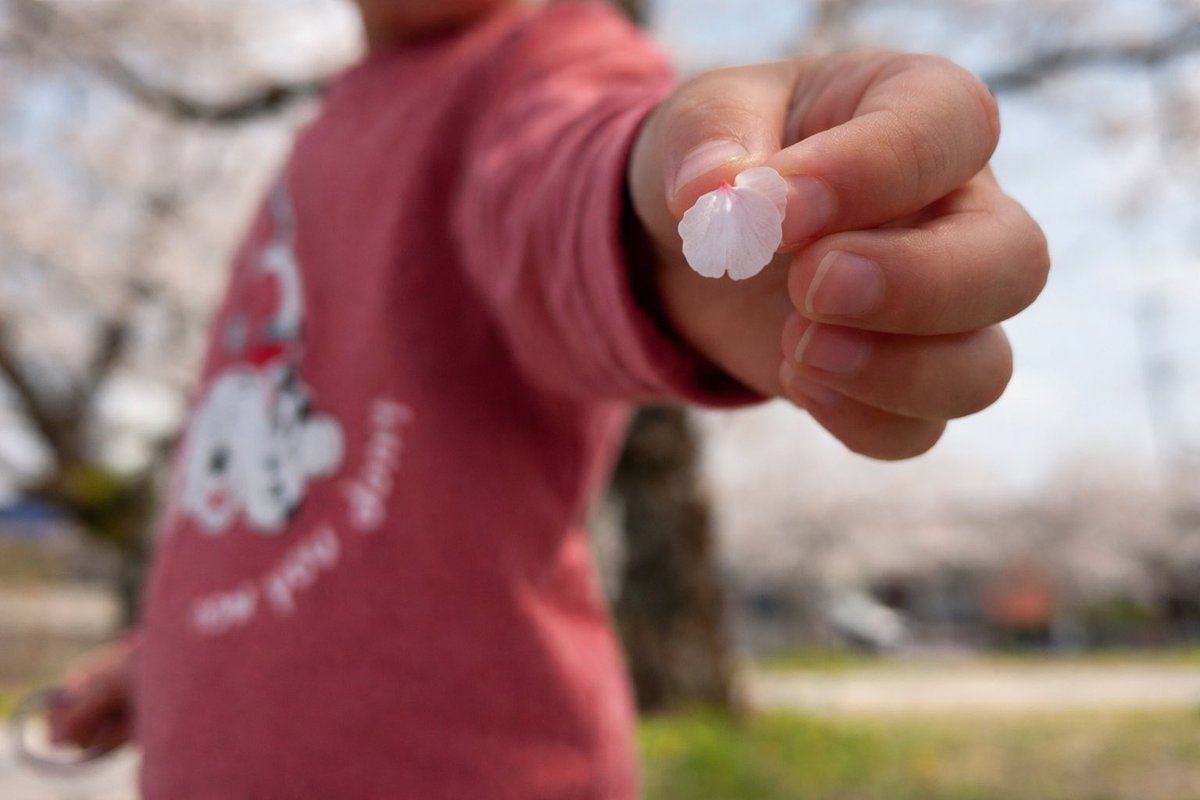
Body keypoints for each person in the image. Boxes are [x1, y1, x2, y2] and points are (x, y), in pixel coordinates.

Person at [46, 0, 1049, 797]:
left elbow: (567, 188)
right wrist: (172, 651)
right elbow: (278, 513)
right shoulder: (329, 125)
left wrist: (681, 224)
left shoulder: (542, 58)